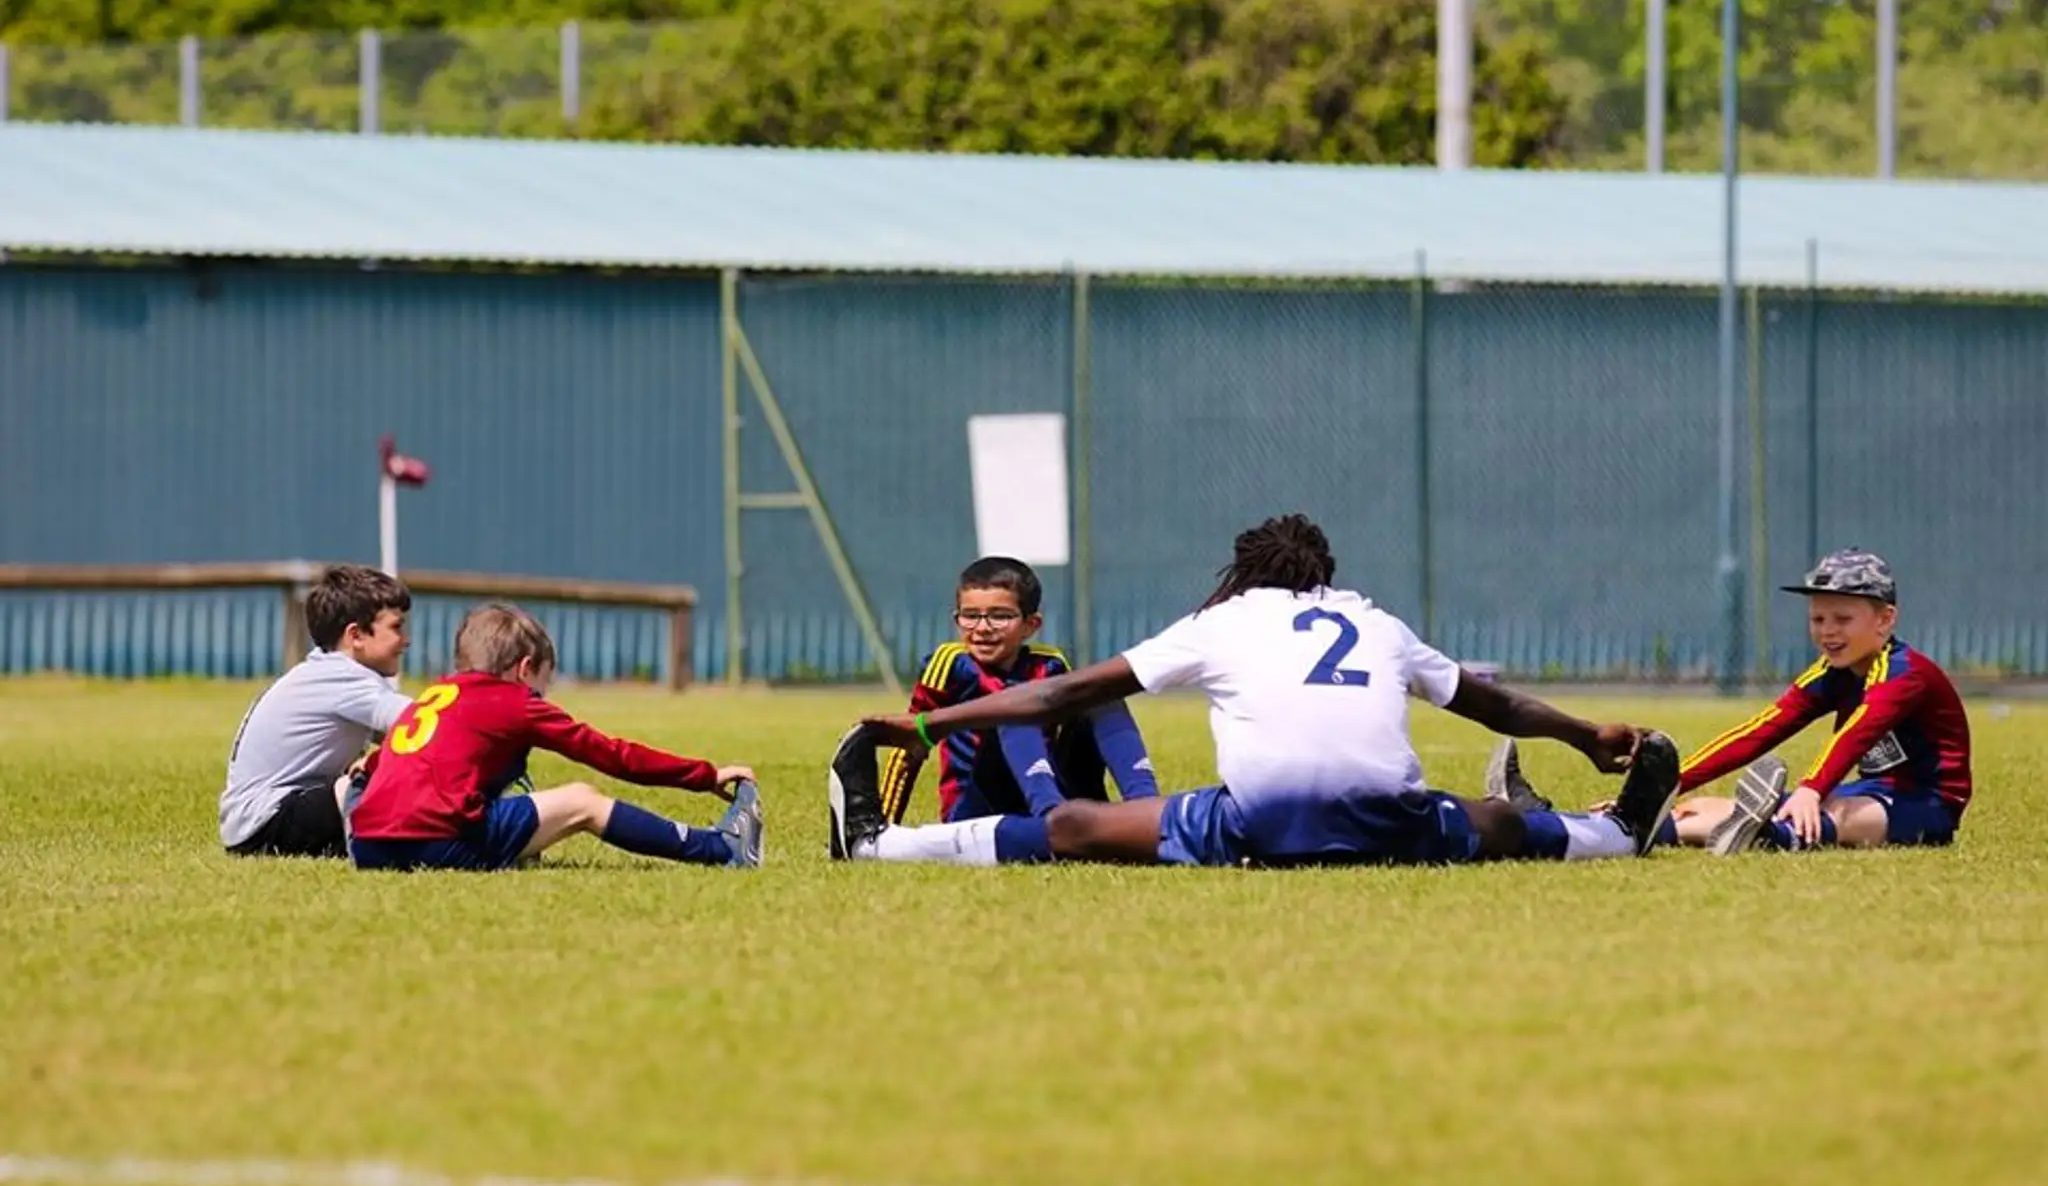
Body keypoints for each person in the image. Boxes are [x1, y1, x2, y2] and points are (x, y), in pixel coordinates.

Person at [829, 514, 1677, 869]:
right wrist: (1585, 733)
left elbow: (1059, 696)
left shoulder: (1223, 621)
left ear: (1244, 572)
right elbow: (1494, 706)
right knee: (1486, 818)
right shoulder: (1371, 619)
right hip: (1390, 819)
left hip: (1262, 824)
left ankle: (876, 844)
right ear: (1323, 575)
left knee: (1073, 826)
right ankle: (1615, 831)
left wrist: (933, 723)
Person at [347, 603, 761, 871]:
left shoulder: (434, 695)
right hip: (437, 843)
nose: (542, 696)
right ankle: (721, 848)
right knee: (582, 800)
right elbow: (612, 754)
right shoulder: (515, 701)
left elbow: (393, 759)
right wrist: (705, 775)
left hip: (367, 846)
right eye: (543, 684)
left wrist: (368, 767)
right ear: (525, 669)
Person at [1662, 549, 1971, 854]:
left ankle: (1772, 835)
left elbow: (1857, 733)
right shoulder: (1832, 671)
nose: (1827, 631)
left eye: (1842, 619)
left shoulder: (1906, 673)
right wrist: (1668, 786)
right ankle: (1649, 827)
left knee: (1837, 814)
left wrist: (1812, 788)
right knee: (1700, 807)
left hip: (1929, 802)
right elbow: (1763, 729)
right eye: (1818, 618)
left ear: (1885, 620)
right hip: (1869, 790)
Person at [879, 555, 1158, 825]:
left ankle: (1149, 812)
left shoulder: (1050, 664)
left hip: (1047, 792)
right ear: (957, 619)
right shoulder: (949, 664)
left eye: (1000, 616)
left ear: (1030, 625)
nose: (983, 628)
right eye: (971, 616)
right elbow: (909, 744)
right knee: (1011, 708)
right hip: (978, 810)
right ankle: (1054, 820)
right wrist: (882, 827)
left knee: (1102, 698)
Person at [218, 564, 414, 858]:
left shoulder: (325, 671)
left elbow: (402, 737)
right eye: (397, 627)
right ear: (356, 635)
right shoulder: (344, 677)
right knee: (381, 782)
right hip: (267, 822)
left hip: (253, 823)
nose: (406, 640)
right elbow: (421, 720)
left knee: (392, 768)